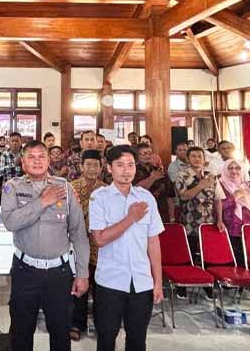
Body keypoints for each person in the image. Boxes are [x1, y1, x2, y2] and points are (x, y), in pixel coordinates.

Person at [0, 141, 89, 351]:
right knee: (21, 332)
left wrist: (82, 273)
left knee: (60, 332)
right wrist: (42, 202)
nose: (37, 161)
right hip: (25, 270)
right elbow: (10, 222)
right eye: (31, 157)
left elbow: (78, 233)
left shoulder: (65, 188)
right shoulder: (12, 187)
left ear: (49, 161)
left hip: (59, 272)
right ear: (23, 162)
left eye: (41, 156)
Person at [90, 145, 164, 351]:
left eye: (130, 165)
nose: (126, 170)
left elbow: (153, 242)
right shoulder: (99, 198)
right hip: (110, 281)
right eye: (120, 165)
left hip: (141, 282)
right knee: (106, 339)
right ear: (109, 168)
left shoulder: (146, 198)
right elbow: (100, 239)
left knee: (137, 340)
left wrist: (158, 282)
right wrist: (131, 218)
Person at [69, 149, 105, 341]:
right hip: (77, 245)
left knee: (101, 287)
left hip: (101, 247)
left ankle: (101, 323)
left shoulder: (107, 190)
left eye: (95, 165)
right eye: (88, 165)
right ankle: (76, 323)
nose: (92, 169)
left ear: (101, 168)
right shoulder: (71, 188)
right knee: (78, 284)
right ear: (81, 167)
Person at [174, 146, 225, 263]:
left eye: (199, 156)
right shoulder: (181, 175)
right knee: (190, 256)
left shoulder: (211, 176)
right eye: (193, 156)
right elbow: (183, 196)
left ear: (204, 159)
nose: (196, 159)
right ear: (188, 159)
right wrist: (200, 186)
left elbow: (218, 199)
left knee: (208, 256)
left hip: (208, 221)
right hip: (189, 221)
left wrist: (220, 220)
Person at [216, 159, 250, 268]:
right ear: (225, 170)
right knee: (235, 259)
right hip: (231, 225)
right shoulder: (220, 185)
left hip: (249, 225)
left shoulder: (247, 185)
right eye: (230, 168)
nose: (234, 171)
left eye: (237, 168)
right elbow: (218, 206)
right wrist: (234, 196)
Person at [135, 145, 177, 222]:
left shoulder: (159, 170)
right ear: (137, 156)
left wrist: (172, 216)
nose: (147, 156)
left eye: (150, 153)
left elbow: (169, 195)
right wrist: (152, 178)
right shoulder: (133, 171)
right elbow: (136, 189)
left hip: (161, 211)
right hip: (141, 212)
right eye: (144, 153)